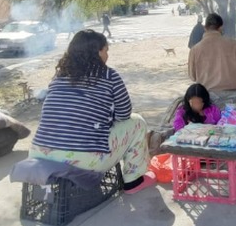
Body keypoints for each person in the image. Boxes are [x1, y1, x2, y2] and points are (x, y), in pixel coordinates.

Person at [30, 30, 155, 194]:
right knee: (137, 122)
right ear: (97, 52)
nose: (107, 55)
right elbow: (124, 114)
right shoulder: (110, 76)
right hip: (83, 160)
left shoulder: (59, 75)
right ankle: (133, 180)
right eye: (106, 50)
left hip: (39, 153)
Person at [188, 13, 236, 91]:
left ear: (205, 28)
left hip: (207, 97)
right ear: (221, 27)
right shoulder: (234, 45)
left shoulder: (195, 49)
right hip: (232, 95)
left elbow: (192, 76)